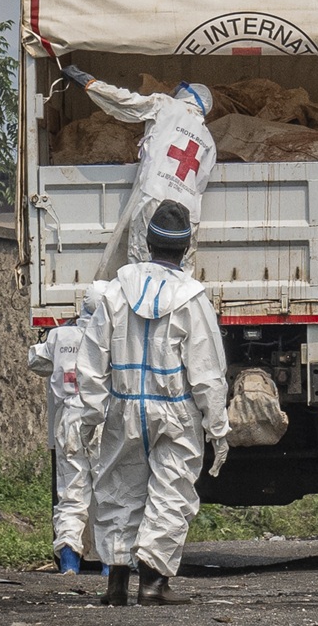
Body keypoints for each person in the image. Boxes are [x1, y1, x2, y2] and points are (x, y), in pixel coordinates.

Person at [76, 200, 230, 606]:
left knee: (117, 491)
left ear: (147, 241)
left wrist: (91, 415)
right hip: (175, 410)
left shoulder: (115, 292)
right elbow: (207, 370)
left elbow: (92, 359)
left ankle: (115, 586)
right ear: (185, 247)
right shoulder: (192, 299)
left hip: (122, 406)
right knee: (171, 492)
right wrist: (218, 428)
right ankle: (153, 585)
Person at [60, 64, 216, 278]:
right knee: (181, 278)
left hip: (155, 195)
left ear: (186, 96)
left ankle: (140, 309)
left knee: (142, 269)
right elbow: (200, 184)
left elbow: (125, 102)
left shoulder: (168, 105)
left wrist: (91, 85)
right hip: (187, 213)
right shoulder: (208, 140)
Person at [28, 280, 109, 575]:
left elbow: (36, 361)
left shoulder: (60, 335)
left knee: (71, 492)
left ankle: (70, 561)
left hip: (70, 421)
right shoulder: (116, 337)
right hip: (103, 422)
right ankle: (109, 566)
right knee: (107, 493)